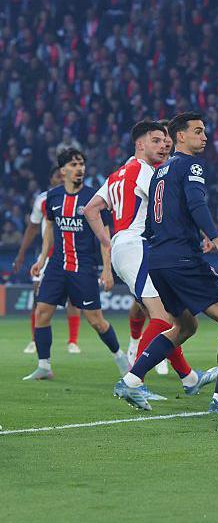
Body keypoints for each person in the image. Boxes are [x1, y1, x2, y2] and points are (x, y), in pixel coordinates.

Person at [113, 111, 218, 413]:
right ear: (181, 137)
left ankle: (131, 381)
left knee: (184, 326)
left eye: (205, 131)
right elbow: (197, 202)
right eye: (198, 131)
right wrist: (216, 238)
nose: (205, 137)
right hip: (183, 259)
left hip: (159, 260)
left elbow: (152, 218)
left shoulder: (160, 170)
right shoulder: (191, 165)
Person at [84, 120, 217, 402]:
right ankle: (133, 380)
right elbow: (171, 203)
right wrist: (203, 234)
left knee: (169, 316)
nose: (163, 145)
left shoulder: (119, 173)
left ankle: (189, 378)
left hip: (125, 247)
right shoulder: (146, 171)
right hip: (138, 246)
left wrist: (109, 242)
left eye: (165, 141)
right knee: (162, 318)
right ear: (140, 144)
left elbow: (91, 209)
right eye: (156, 141)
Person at [22, 149, 130, 381]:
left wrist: (108, 270)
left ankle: (122, 360)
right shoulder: (53, 197)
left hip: (83, 267)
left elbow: (104, 237)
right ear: (63, 171)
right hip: (57, 267)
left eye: (81, 164)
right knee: (42, 313)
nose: (79, 168)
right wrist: (42, 259)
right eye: (73, 164)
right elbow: (49, 229)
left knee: (96, 321)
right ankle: (44, 366)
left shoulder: (94, 199)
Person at [15, 166, 82, 357]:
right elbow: (33, 228)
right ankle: (35, 340)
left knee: (73, 299)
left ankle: (73, 341)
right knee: (38, 298)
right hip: (47, 256)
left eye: (63, 176)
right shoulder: (43, 199)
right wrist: (21, 253)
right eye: (57, 176)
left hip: (71, 254)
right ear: (51, 179)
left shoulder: (79, 197)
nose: (61, 179)